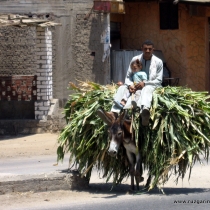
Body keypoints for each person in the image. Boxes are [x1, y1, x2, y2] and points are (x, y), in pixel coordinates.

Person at [111, 40, 163, 126]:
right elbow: (128, 76)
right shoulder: (135, 59)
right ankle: (113, 113)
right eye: (145, 49)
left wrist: (145, 83)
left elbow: (158, 80)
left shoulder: (158, 62)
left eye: (150, 49)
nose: (147, 51)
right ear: (141, 49)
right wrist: (130, 84)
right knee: (122, 88)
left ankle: (144, 112)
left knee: (147, 89)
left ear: (153, 50)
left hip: (151, 85)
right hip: (134, 85)